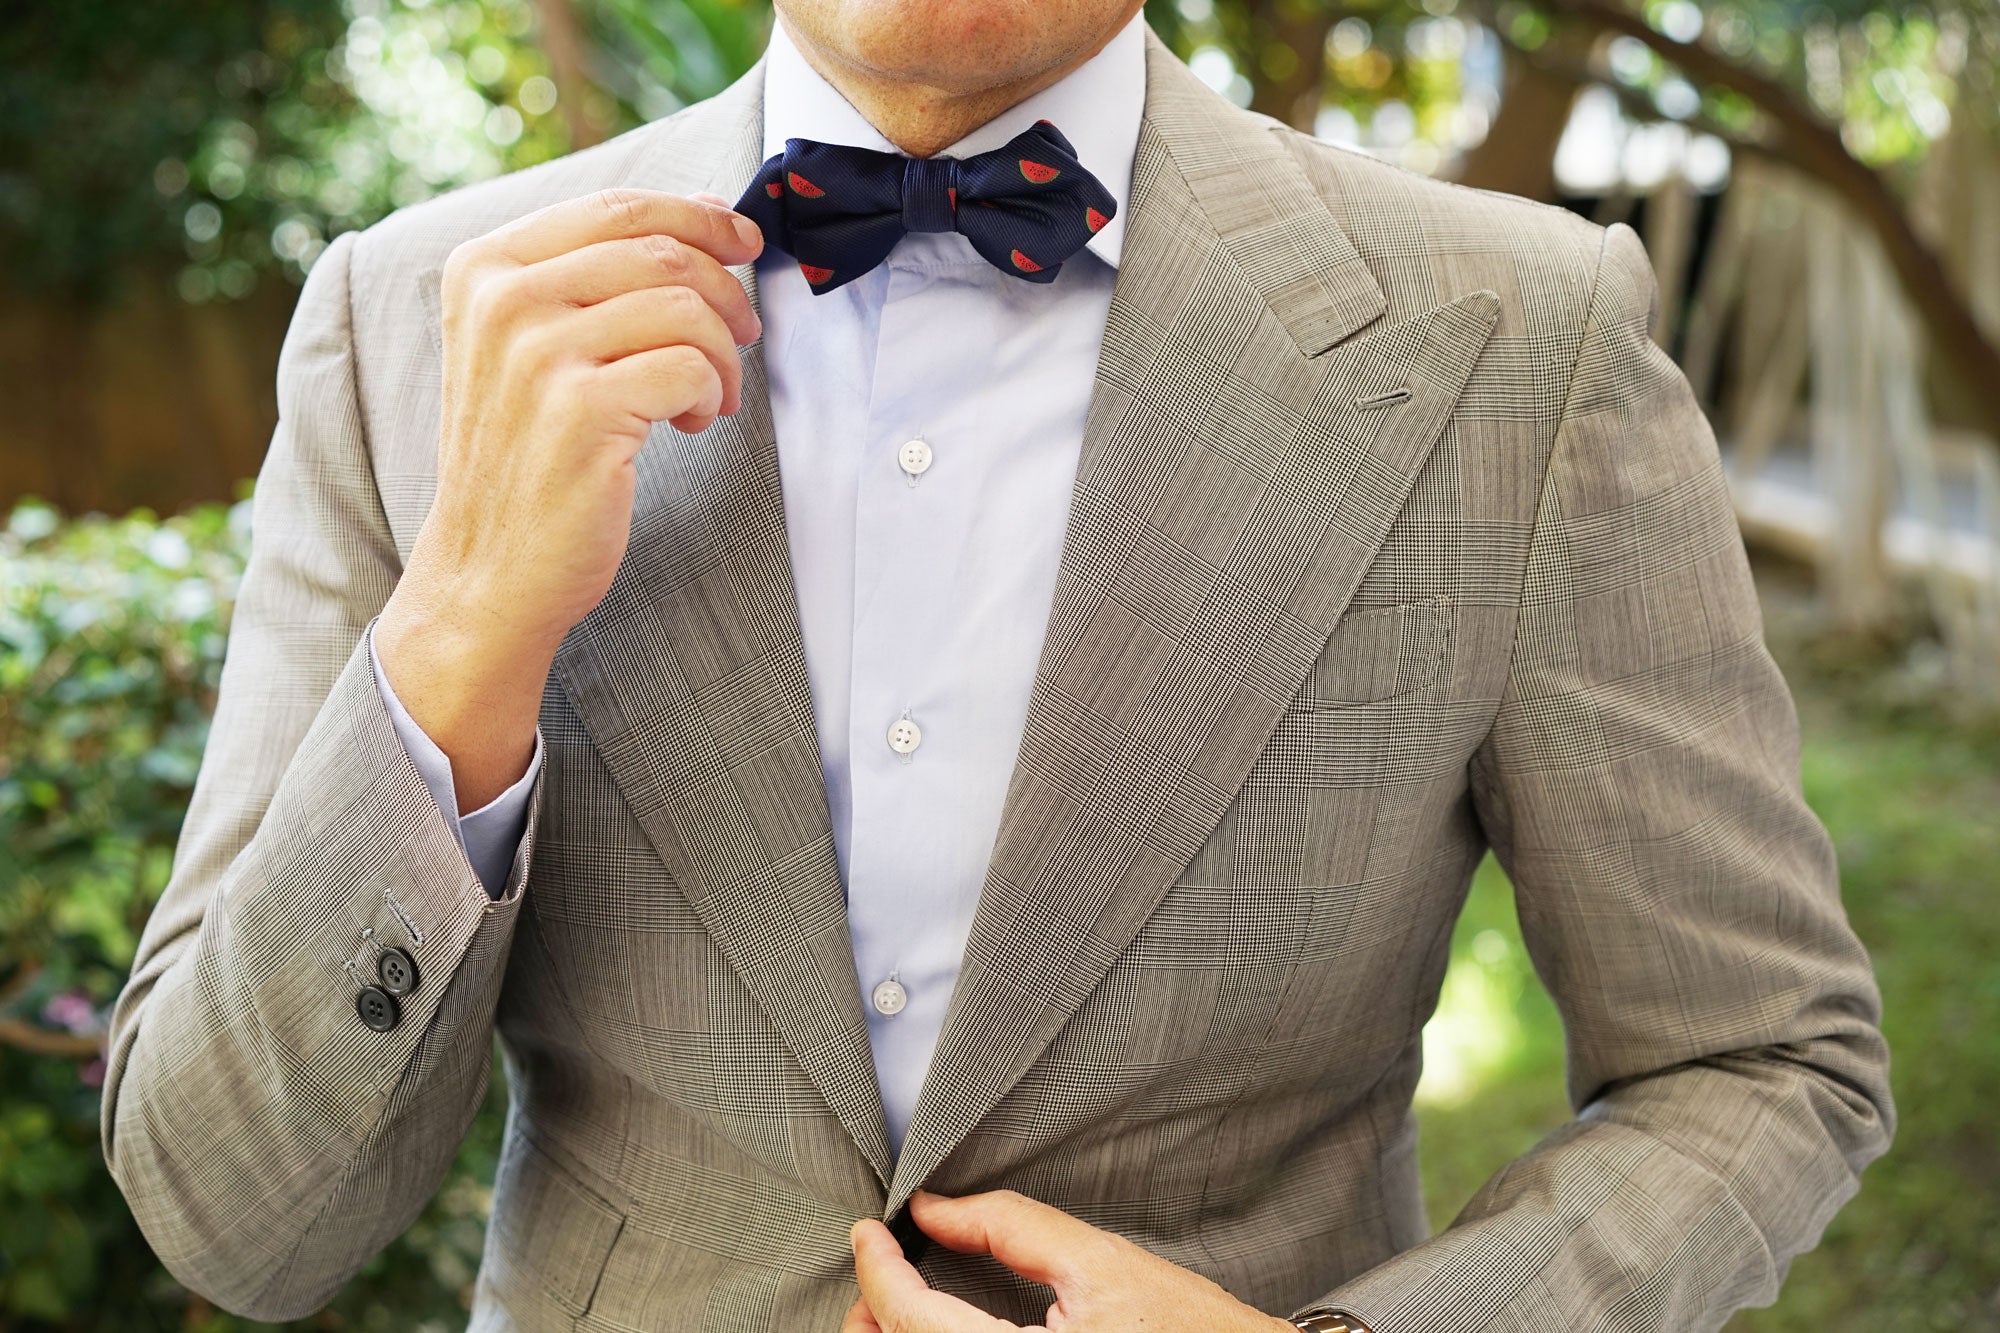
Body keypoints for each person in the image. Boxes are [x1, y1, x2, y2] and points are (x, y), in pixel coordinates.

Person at [101, 0, 1894, 1328]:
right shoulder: (406, 326)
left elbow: (1762, 1060)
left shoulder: (1527, 337)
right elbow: (236, 1217)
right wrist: (462, 631)